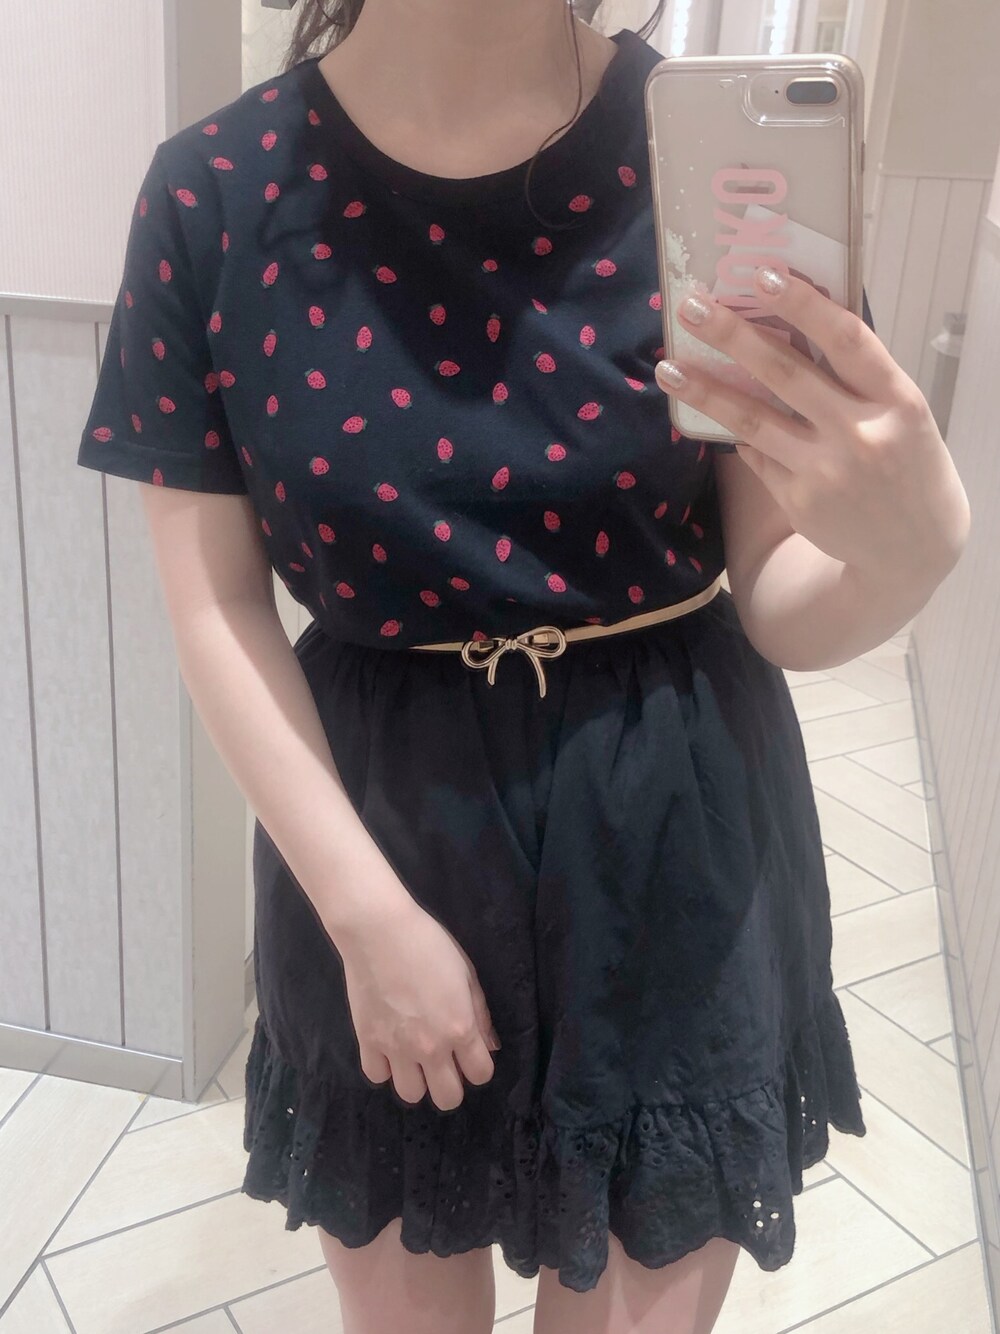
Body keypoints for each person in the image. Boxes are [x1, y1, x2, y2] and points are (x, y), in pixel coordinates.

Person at [76, 2, 970, 1331]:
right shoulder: (214, 190)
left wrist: (911, 554)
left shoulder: (717, 176)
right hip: (374, 835)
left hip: (671, 831)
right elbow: (215, 604)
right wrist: (365, 919)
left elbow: (775, 594)